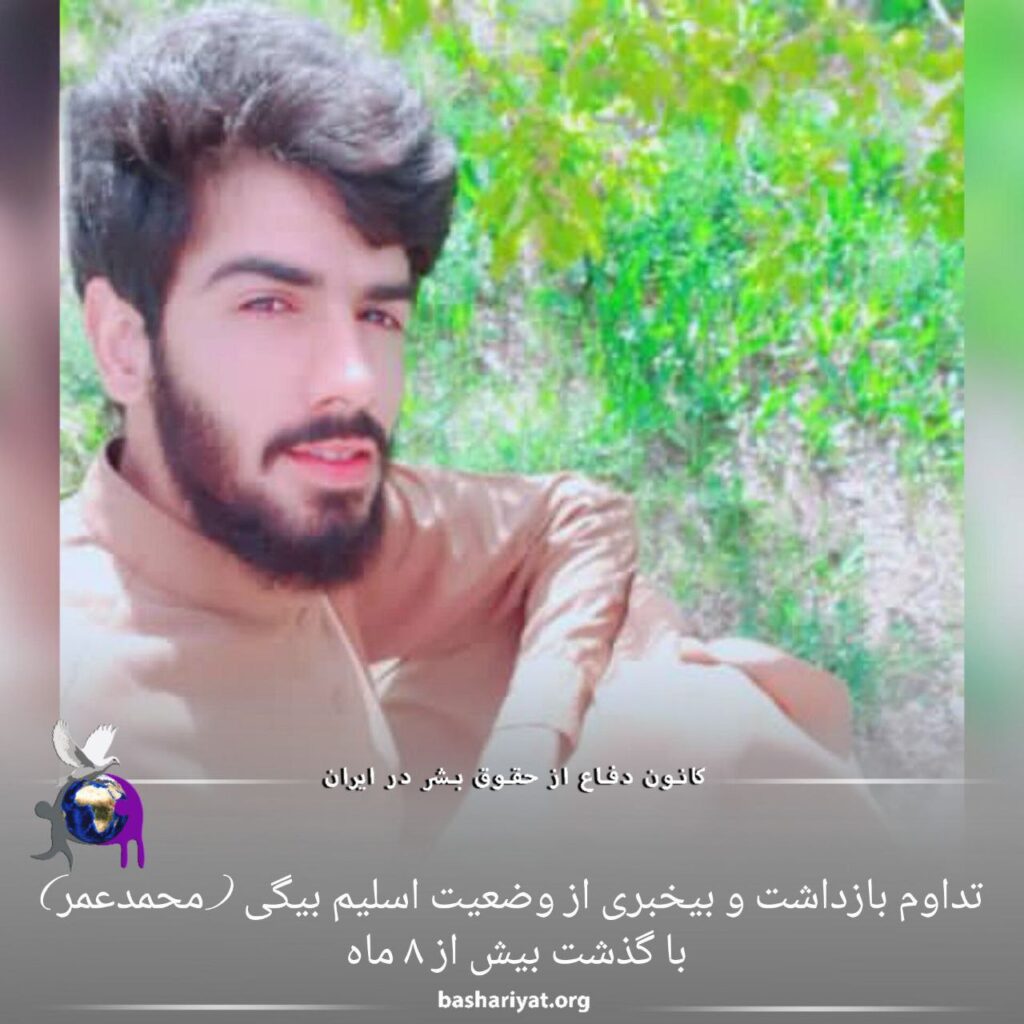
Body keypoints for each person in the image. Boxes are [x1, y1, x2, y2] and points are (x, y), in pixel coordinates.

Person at [61, 2, 868, 831]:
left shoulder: (278, 512)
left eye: (379, 314)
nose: (355, 380)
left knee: (669, 682)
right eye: (270, 304)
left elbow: (574, 517)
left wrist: (525, 753)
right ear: (125, 344)